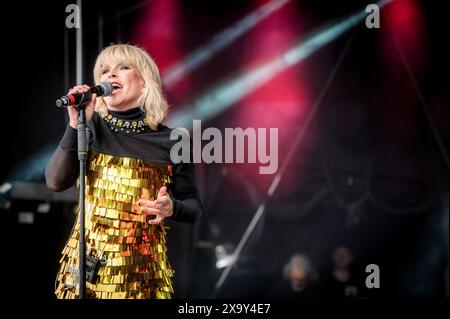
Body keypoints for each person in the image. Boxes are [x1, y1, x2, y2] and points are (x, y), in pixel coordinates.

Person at [46, 44, 202, 299]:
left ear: (145, 81)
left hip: (141, 275)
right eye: (105, 70)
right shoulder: (90, 126)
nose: (110, 75)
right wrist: (75, 125)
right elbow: (55, 181)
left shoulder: (174, 140)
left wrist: (172, 207)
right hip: (84, 272)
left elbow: (194, 206)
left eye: (123, 67)